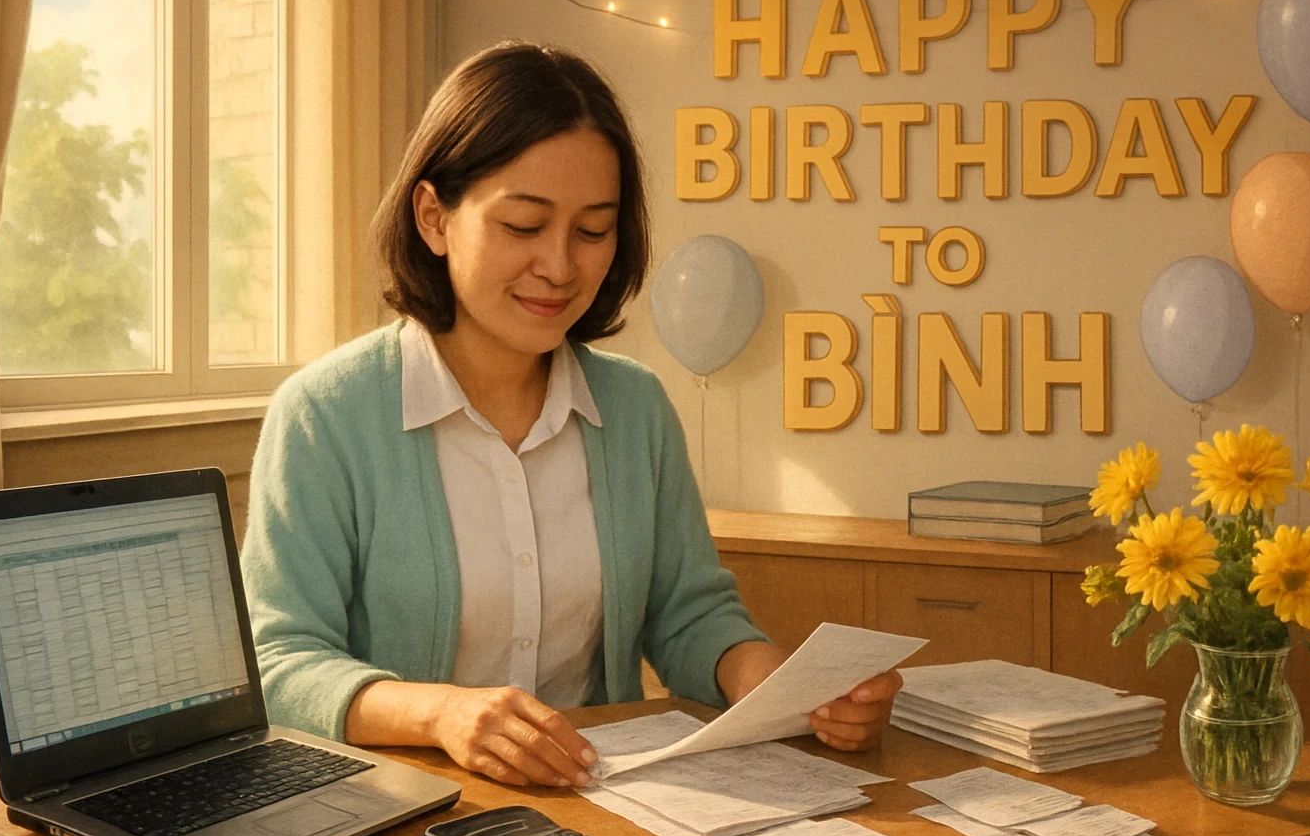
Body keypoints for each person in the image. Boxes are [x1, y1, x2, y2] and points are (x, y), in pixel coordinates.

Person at [240, 41, 902, 788]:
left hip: (604, 803)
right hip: (399, 819)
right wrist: (441, 714)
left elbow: (687, 615)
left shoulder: (635, 408)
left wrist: (777, 684)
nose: (560, 267)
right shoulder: (325, 415)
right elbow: (279, 662)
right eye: (523, 226)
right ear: (433, 218)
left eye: (592, 231)